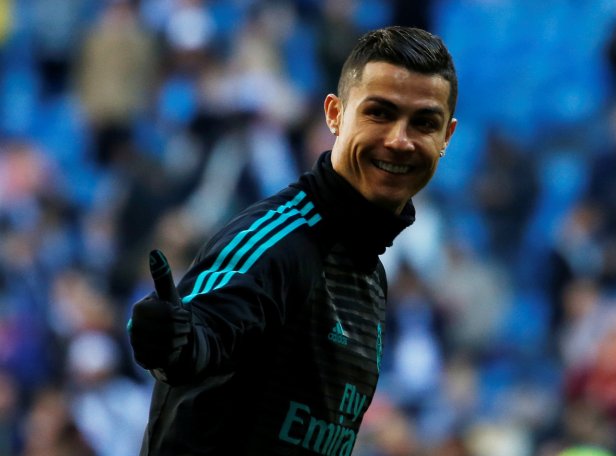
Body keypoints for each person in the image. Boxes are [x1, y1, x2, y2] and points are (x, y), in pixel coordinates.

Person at [128, 25, 458, 455]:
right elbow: (205, 331)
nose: (399, 140)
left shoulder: (370, 273)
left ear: (446, 137)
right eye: (379, 113)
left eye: (424, 122)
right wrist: (177, 339)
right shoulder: (278, 241)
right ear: (335, 115)